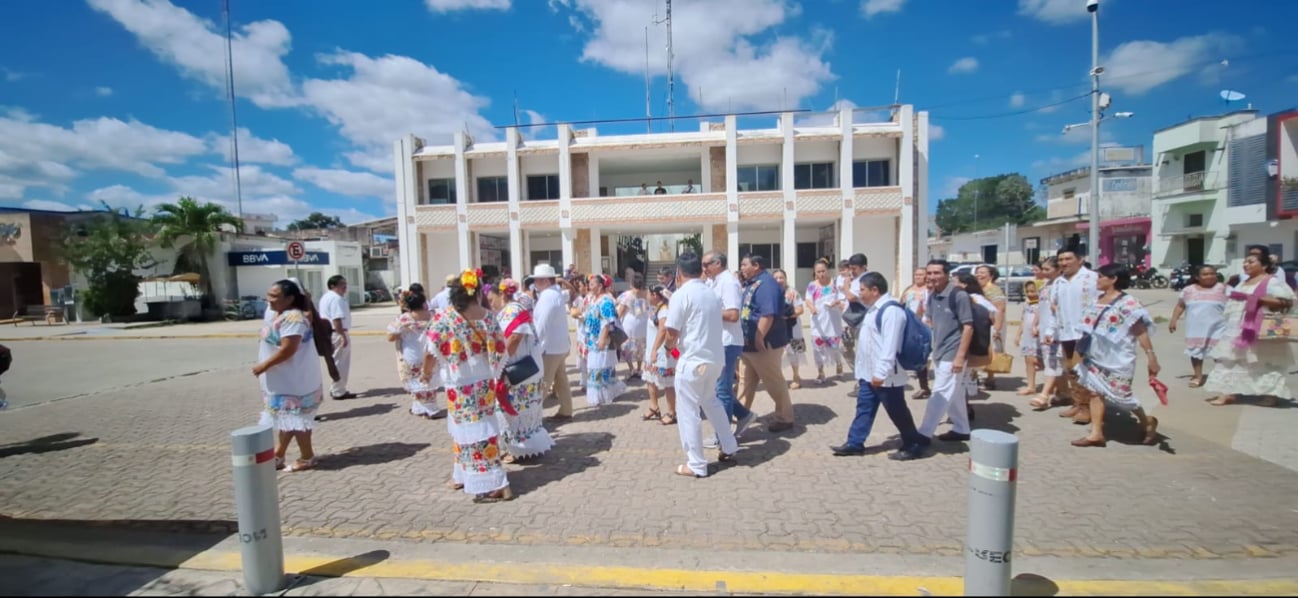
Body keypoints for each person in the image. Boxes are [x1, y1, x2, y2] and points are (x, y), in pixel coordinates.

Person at [419, 269, 513, 502]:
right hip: (483, 381)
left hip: (459, 383)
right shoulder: (489, 316)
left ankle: (497, 482)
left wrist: (425, 371)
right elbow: (501, 348)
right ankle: (462, 475)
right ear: (478, 291)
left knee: (473, 433)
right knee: (479, 429)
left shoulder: (445, 317)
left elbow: (431, 350)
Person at [830, 272, 926, 461]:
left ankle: (913, 443)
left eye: (863, 289)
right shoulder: (874, 308)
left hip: (885, 375)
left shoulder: (891, 311)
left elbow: (889, 346)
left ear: (875, 290)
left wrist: (881, 373)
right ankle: (854, 443)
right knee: (864, 408)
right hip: (868, 374)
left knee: (897, 411)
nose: (860, 293)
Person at [663, 252, 739, 478]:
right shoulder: (711, 293)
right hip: (714, 359)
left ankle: (696, 464)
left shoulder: (681, 295)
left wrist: (669, 349)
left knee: (688, 412)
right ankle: (729, 446)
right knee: (711, 403)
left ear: (679, 273)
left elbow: (672, 332)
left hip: (693, 361)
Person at [1069, 264, 1162, 447]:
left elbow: (1140, 331)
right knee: (1095, 392)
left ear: (1114, 279)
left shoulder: (1129, 304)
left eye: (1101, 276)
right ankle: (1096, 433)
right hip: (1094, 354)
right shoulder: (1096, 301)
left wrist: (1151, 356)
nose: (1097, 280)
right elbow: (1087, 330)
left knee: (1122, 396)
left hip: (1118, 357)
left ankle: (1147, 422)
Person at [1204, 250, 1296, 408]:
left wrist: (1259, 300)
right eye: (1245, 262)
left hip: (1260, 328)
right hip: (1237, 328)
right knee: (1229, 360)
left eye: (1251, 261)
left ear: (1264, 265)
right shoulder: (1243, 282)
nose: (1246, 264)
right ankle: (1227, 393)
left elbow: (1288, 301)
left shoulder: (1271, 282)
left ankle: (1271, 395)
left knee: (1265, 362)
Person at [253, 280, 324, 472]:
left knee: (297, 418)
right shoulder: (282, 314)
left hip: (294, 382)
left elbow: (288, 349)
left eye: (275, 296)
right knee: (288, 419)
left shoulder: (293, 318)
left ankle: (307, 456)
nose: (270, 299)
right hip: (283, 381)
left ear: (290, 299)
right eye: (269, 294)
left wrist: (263, 366)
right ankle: (278, 454)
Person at [490, 279, 554, 462]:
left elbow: (516, 336)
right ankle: (516, 446)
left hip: (520, 370)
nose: (490, 302)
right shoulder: (509, 310)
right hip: (524, 368)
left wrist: (501, 361)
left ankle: (518, 448)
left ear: (501, 294)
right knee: (519, 408)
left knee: (516, 409)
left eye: (491, 298)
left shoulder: (512, 310)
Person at [916, 260, 974, 443]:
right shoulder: (933, 295)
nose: (932, 277)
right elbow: (929, 322)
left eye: (937, 273)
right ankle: (962, 428)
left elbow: (968, 327)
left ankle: (924, 434)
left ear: (947, 274)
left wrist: (960, 356)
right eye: (930, 273)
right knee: (955, 394)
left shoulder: (959, 296)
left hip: (953, 353)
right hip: (940, 352)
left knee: (939, 394)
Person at [702, 251, 757, 438]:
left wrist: (709, 310)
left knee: (721, 390)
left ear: (717, 263)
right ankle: (743, 415)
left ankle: (723, 437)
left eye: (706, 265)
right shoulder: (714, 282)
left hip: (727, 342)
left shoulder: (728, 283)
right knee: (718, 388)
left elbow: (733, 315)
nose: (704, 269)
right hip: (717, 341)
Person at [738, 254, 795, 432]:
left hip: (764, 343)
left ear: (756, 265)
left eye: (744, 264)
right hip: (748, 344)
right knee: (744, 381)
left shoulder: (767, 284)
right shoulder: (752, 283)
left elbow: (767, 314)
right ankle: (741, 415)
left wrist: (759, 337)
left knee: (773, 381)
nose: (741, 268)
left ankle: (785, 417)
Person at [1168, 265, 1227, 389]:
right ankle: (1198, 376)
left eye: (1212, 273)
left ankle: (1222, 376)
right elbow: (1180, 306)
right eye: (1205, 274)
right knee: (1196, 353)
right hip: (1195, 327)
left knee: (1219, 353)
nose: (1209, 276)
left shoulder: (1223, 288)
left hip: (1218, 327)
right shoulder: (1188, 290)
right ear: (1197, 277)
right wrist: (1174, 320)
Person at [387, 293, 442, 419]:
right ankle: (424, 407)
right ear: (424, 304)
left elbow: (390, 336)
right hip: (431, 353)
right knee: (428, 381)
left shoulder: (404, 319)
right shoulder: (434, 317)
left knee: (416, 382)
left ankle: (426, 409)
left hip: (412, 355)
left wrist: (402, 330)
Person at [531, 264, 575, 420]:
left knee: (544, 382)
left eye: (536, 280)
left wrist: (533, 344)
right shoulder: (554, 293)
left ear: (544, 281)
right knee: (560, 379)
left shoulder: (548, 296)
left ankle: (532, 415)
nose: (534, 283)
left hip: (550, 348)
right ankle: (566, 409)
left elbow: (541, 324)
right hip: (559, 346)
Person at [583, 274, 627, 406]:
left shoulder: (606, 301)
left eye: (592, 284)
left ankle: (603, 395)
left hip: (603, 339)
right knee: (596, 367)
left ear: (600, 286)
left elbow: (607, 322)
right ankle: (603, 394)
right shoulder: (594, 299)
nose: (589, 287)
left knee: (600, 367)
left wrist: (602, 339)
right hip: (593, 338)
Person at [805, 258, 846, 384]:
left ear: (827, 270)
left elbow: (842, 299)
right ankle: (820, 372)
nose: (821, 274)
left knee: (834, 347)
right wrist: (812, 308)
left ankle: (839, 364)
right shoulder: (812, 285)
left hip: (833, 321)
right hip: (818, 322)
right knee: (818, 348)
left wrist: (837, 304)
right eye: (818, 272)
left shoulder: (834, 284)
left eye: (823, 271)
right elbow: (808, 300)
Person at [642, 285, 678, 425]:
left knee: (667, 383)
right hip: (652, 350)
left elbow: (663, 331)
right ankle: (654, 406)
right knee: (650, 379)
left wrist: (655, 349)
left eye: (648, 294)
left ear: (655, 295)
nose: (647, 297)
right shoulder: (656, 308)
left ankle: (671, 412)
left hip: (662, 352)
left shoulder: (664, 311)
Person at [318, 275, 356, 400]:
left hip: (332, 332)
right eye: (341, 284)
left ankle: (335, 388)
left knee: (336, 361)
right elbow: (336, 319)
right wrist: (342, 336)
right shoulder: (336, 299)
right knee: (341, 363)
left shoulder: (327, 297)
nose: (345, 286)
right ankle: (339, 391)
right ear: (333, 285)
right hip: (338, 332)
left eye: (345, 283)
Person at [899, 267, 931, 400]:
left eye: (921, 275)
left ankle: (924, 386)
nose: (918, 277)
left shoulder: (928, 291)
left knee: (924, 354)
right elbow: (902, 303)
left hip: (924, 324)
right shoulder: (909, 289)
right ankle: (924, 385)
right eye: (916, 274)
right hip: (910, 323)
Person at [774, 268, 806, 390]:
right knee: (777, 353)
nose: (779, 280)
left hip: (793, 326)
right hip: (777, 327)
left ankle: (796, 376)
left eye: (781, 277)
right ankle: (778, 379)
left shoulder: (792, 292)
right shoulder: (771, 292)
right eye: (776, 278)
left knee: (795, 352)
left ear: (786, 279)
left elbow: (800, 309)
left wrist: (787, 315)